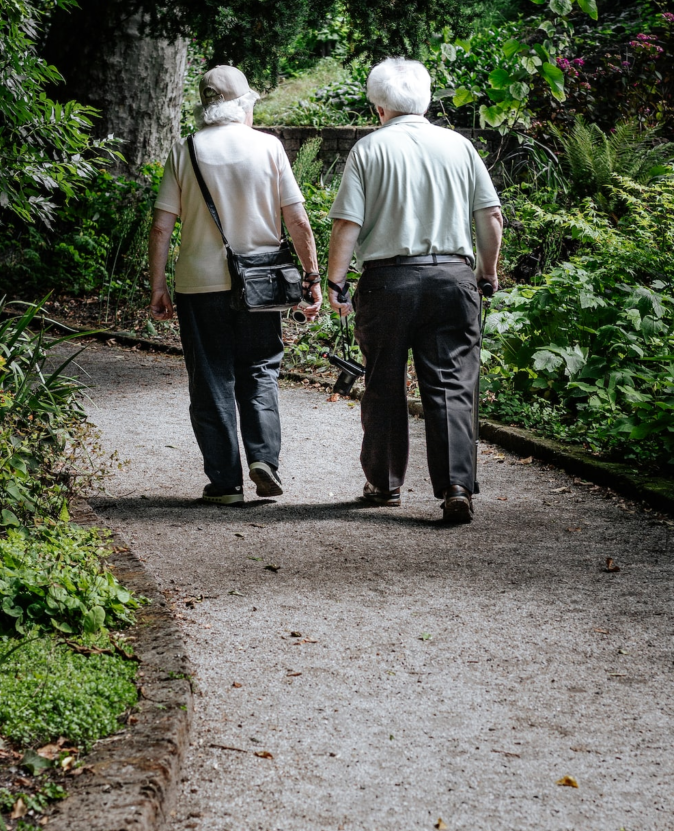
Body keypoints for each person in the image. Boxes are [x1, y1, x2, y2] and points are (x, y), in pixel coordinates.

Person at [327, 57, 503, 524]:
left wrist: (336, 282)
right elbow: (490, 216)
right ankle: (456, 487)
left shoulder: (368, 149)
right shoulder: (459, 146)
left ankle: (384, 485)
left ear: (378, 106)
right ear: (425, 100)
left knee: (383, 381)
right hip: (452, 277)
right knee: (451, 385)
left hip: (388, 282)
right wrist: (488, 272)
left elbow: (348, 224)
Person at [149, 64, 322, 505]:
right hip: (261, 284)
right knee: (260, 369)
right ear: (244, 103)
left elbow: (161, 227)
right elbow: (297, 219)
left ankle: (225, 483)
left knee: (210, 379)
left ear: (205, 106)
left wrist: (157, 285)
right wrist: (312, 276)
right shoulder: (269, 147)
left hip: (198, 285)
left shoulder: (184, 150)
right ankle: (264, 459)